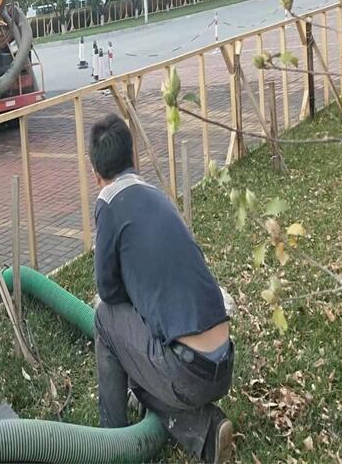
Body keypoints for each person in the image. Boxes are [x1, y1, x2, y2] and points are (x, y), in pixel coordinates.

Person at [89, 113, 234, 463]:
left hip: (185, 371)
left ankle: (113, 439)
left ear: (96, 173)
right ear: (133, 158)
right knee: (142, 368)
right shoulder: (155, 195)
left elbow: (107, 291)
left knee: (104, 319)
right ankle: (208, 431)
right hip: (223, 364)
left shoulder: (108, 203)